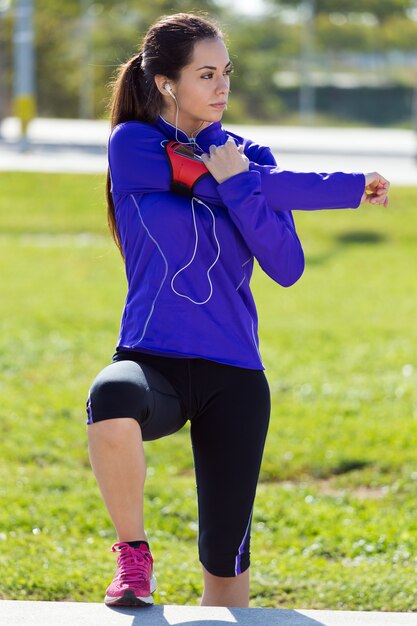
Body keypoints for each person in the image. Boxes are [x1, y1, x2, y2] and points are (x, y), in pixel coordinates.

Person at [86, 12, 390, 610]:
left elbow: (287, 265)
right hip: (154, 362)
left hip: (236, 376)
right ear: (169, 84)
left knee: (226, 574)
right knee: (111, 398)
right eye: (206, 74)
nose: (223, 86)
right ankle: (133, 554)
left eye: (226, 72)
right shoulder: (136, 145)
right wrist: (346, 186)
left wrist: (245, 182)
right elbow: (210, 179)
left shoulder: (249, 155)